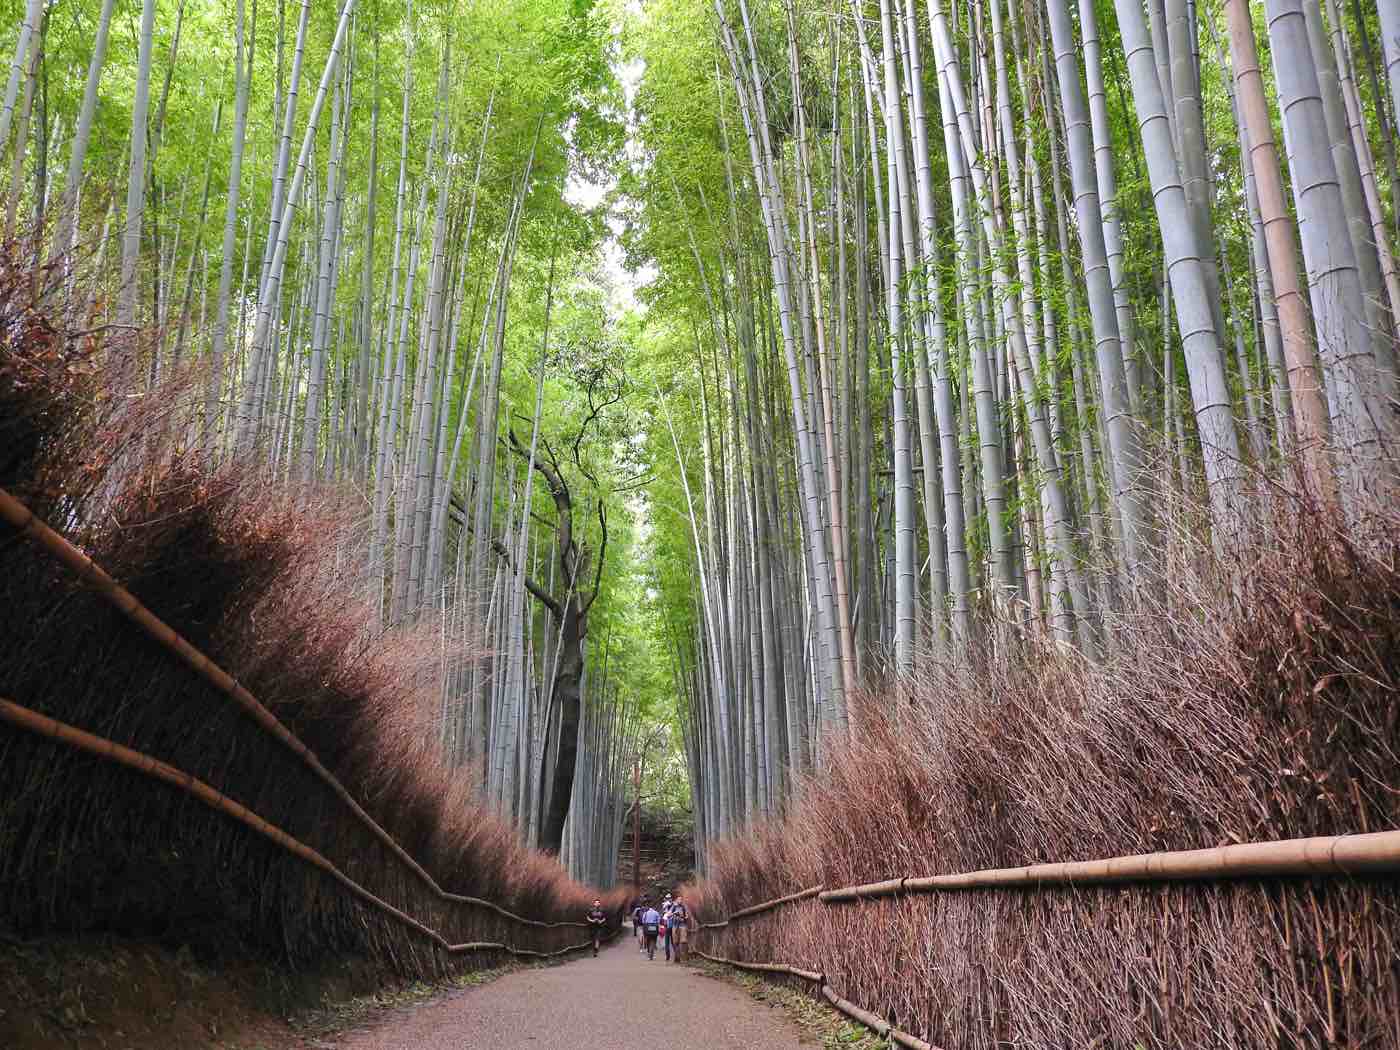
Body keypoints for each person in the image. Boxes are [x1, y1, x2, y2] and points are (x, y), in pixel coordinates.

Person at [669, 894, 690, 963]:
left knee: (683, 941)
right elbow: (668, 915)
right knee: (675, 942)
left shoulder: (684, 907)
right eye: (678, 899)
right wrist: (674, 913)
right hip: (675, 926)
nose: (680, 901)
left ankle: (683, 958)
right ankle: (677, 957)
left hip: (682, 925)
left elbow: (687, 916)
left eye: (681, 899)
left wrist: (683, 917)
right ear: (676, 900)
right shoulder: (673, 907)